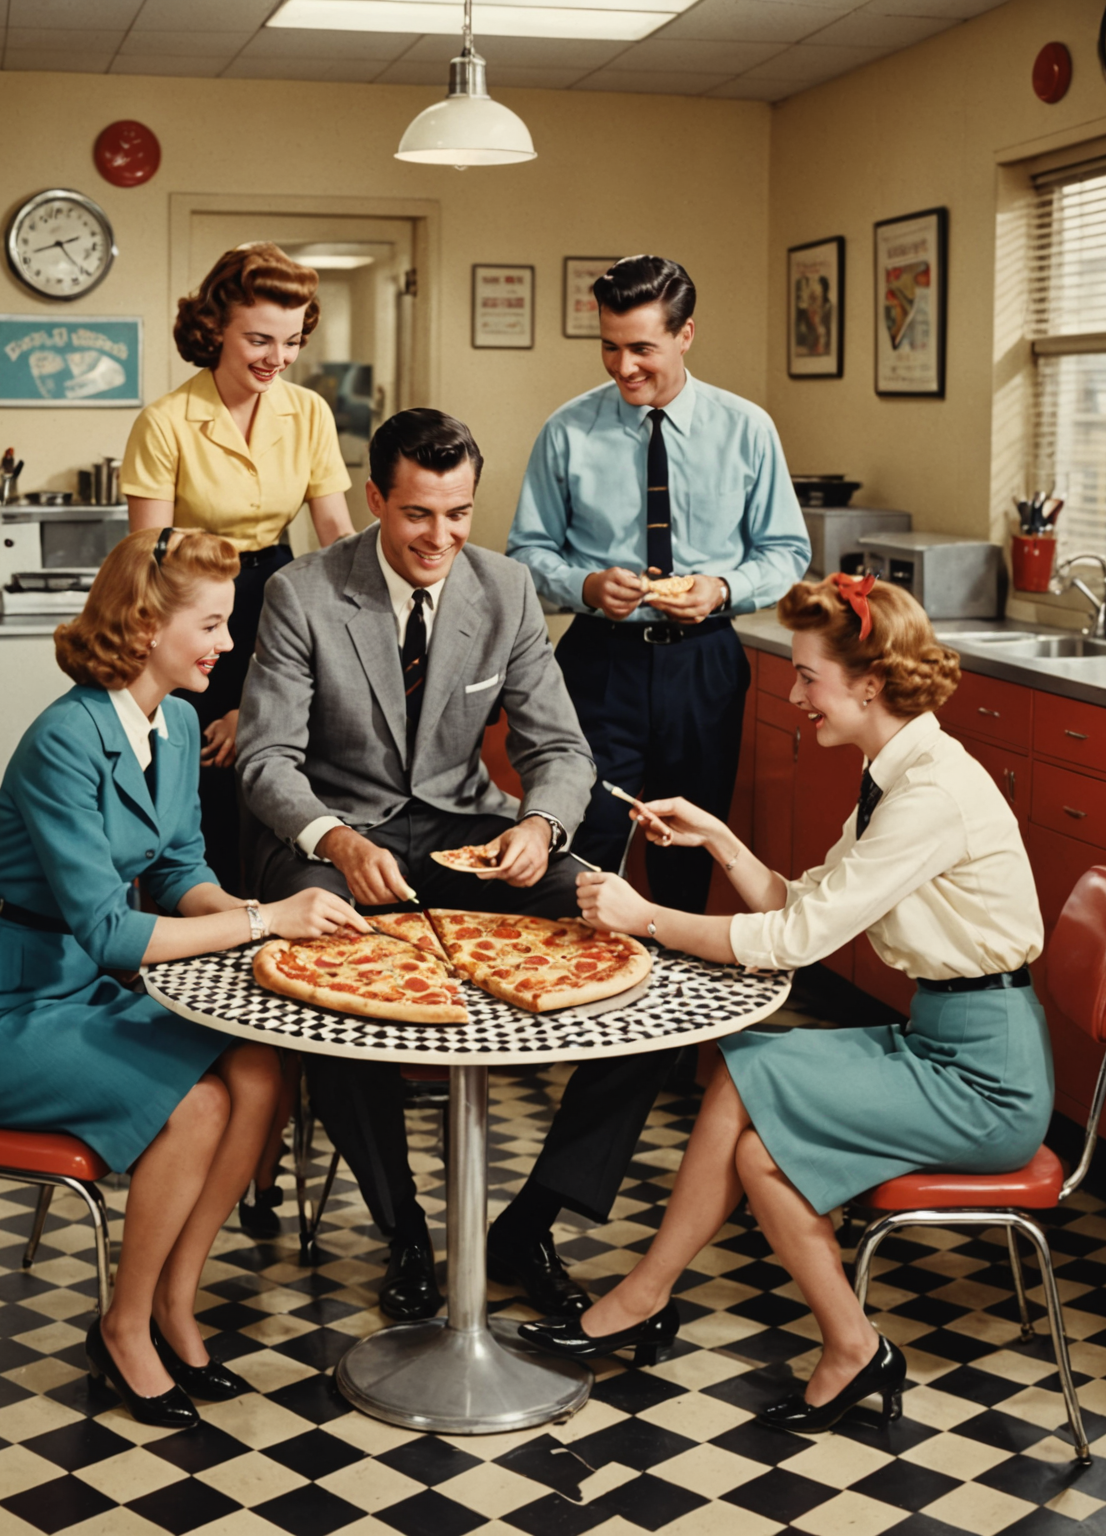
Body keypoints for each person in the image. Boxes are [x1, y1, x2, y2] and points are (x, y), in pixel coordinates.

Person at [522, 573, 1052, 1436]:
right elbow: (800, 905)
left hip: (985, 1079)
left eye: (808, 675)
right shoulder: (898, 771)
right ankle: (837, 1343)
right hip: (944, 1040)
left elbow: (796, 943)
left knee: (748, 1094)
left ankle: (648, 1300)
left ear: (868, 685)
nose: (795, 692)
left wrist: (645, 917)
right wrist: (719, 838)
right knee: (753, 1114)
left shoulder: (930, 795)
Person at [236, 408, 683, 1323]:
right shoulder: (302, 591)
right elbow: (264, 760)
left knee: (645, 970)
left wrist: (542, 828)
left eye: (458, 514)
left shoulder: (507, 589)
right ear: (374, 501)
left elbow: (562, 750)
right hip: (339, 834)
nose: (440, 537)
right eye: (417, 515)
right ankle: (402, 1229)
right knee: (330, 992)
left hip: (468, 836)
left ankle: (530, 1221)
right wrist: (335, 840)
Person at [0, 528, 365, 1430]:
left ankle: (176, 1300)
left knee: (258, 1067)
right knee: (199, 1104)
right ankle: (125, 1326)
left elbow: (174, 872)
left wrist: (259, 922)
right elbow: (106, 929)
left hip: (79, 989)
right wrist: (264, 920)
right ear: (146, 623)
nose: (227, 644)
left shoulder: (168, 722)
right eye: (210, 623)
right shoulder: (66, 740)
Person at [508, 254, 811, 913]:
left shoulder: (747, 429)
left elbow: (786, 551)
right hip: (596, 663)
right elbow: (525, 552)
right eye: (610, 348)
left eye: (641, 348)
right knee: (581, 844)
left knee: (686, 845)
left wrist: (724, 589)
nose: (623, 368)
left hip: (704, 666)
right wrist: (585, 586)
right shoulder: (567, 431)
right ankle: (569, 993)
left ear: (685, 335)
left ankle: (675, 1004)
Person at [122, 242, 354, 892]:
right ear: (214, 328)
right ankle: (191, 942)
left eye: (290, 340)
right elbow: (151, 558)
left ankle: (271, 939)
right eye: (258, 339)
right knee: (198, 784)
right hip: (184, 605)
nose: (275, 359)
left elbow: (334, 532)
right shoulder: (165, 423)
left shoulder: (308, 411)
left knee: (276, 773)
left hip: (278, 596)